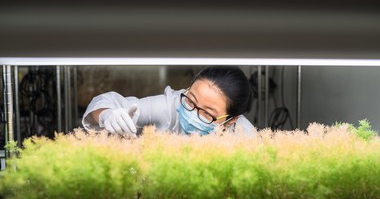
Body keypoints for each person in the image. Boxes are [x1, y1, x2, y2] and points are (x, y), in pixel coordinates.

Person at [82, 66, 257, 138]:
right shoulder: (171, 106)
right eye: (191, 100)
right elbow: (106, 101)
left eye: (207, 113)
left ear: (231, 120)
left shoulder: (247, 137)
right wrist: (107, 115)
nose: (191, 113)